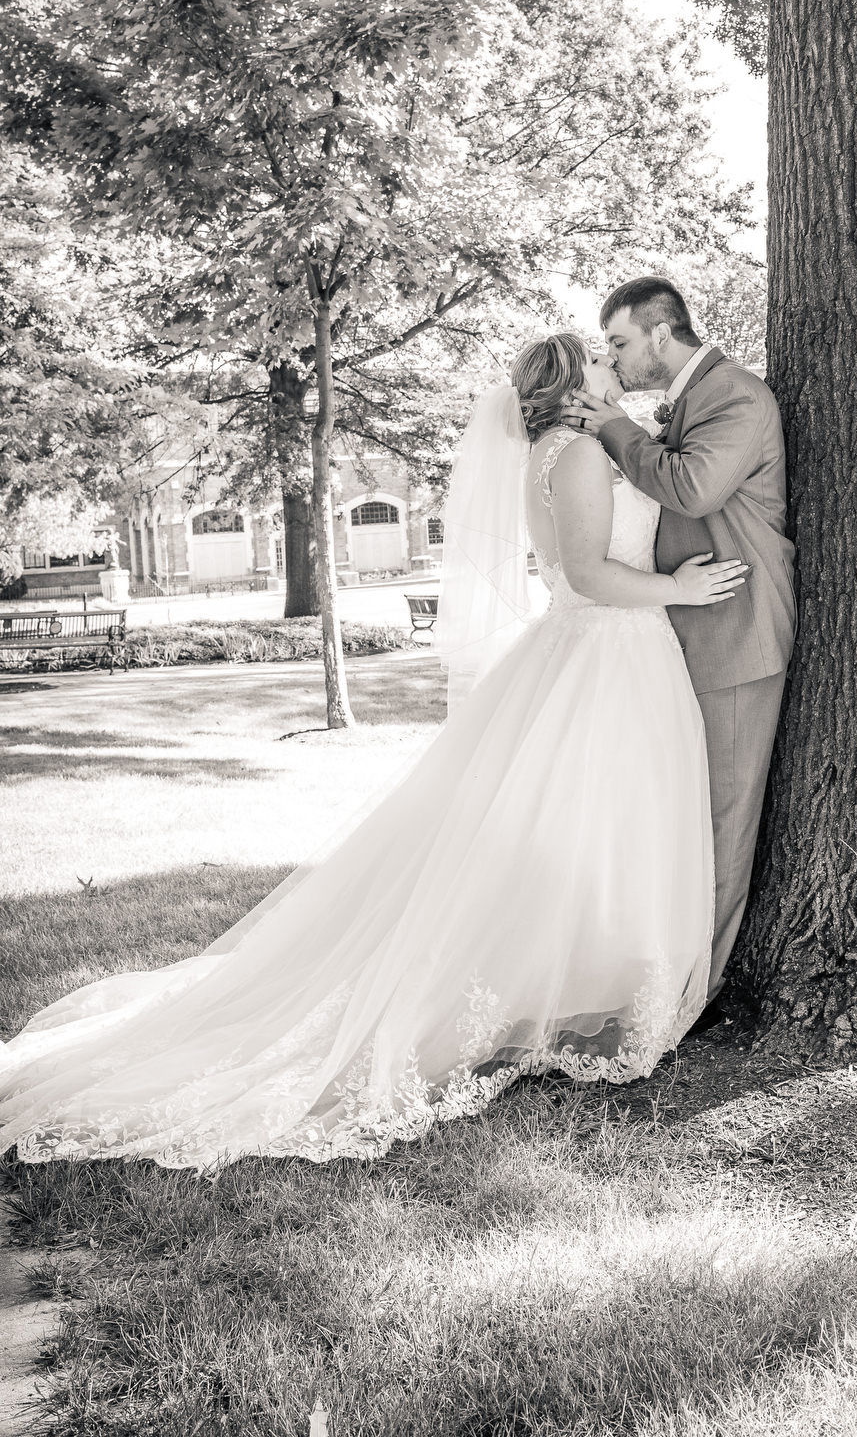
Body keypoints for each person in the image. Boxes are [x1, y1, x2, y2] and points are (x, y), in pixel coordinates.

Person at [0, 334, 745, 1170]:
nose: (616, 369)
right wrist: (679, 589)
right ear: (576, 387)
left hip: (609, 656)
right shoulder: (573, 455)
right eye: (603, 364)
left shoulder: (567, 447)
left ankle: (583, 984)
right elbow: (587, 574)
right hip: (607, 651)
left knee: (590, 826)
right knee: (591, 818)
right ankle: (559, 995)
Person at [569, 278, 796, 999]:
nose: (617, 359)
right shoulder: (691, 401)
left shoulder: (736, 396)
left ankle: (693, 994)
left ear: (662, 335)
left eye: (621, 343)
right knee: (680, 812)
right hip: (681, 633)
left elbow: (694, 489)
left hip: (735, 631)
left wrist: (610, 426)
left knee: (722, 819)